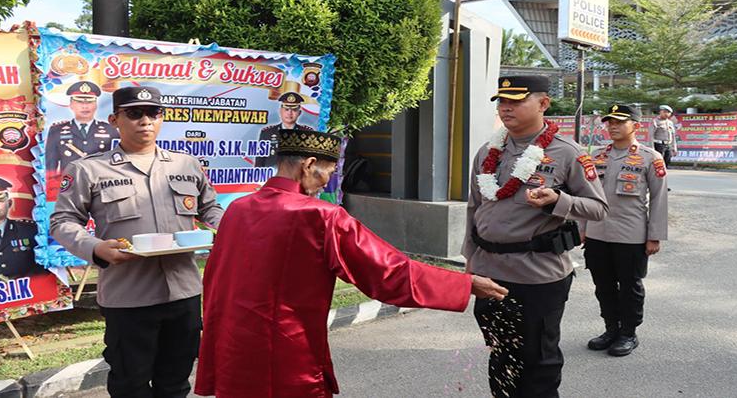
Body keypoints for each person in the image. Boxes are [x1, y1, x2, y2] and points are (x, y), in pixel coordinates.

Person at [195, 128, 509, 398]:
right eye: (328, 174)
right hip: (285, 355)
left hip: (232, 350)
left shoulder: (238, 208)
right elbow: (387, 272)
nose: (327, 184)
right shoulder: (319, 216)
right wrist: (464, 284)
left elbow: (215, 279)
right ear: (309, 165)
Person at [50, 86, 224, 398]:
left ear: (162, 118)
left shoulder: (186, 164)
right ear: (115, 119)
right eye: (134, 113)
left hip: (183, 293)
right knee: (130, 386)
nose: (145, 120)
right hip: (129, 298)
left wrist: (227, 231)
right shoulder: (88, 169)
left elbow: (210, 208)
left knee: (176, 384)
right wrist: (96, 248)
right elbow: (62, 221)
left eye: (153, 113)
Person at [462, 75, 608, 398]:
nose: (505, 108)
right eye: (502, 101)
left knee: (538, 364)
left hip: (537, 276)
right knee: (501, 357)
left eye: (515, 101)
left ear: (543, 104)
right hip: (490, 274)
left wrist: (559, 201)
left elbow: (599, 208)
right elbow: (474, 209)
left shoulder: (567, 152)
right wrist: (470, 259)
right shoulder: (489, 151)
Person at [583, 104, 668, 357]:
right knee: (603, 285)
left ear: (636, 126)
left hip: (631, 235)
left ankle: (628, 333)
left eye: (620, 121)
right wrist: (582, 227)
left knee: (630, 286)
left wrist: (654, 235)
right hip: (597, 234)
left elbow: (660, 198)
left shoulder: (650, 157)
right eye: (609, 122)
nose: (613, 126)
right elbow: (585, 195)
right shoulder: (596, 155)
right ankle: (611, 328)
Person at [46, 81, 120, 174]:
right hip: (69, 184)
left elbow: (117, 162)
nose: (85, 106)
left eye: (89, 102)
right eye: (79, 102)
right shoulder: (56, 131)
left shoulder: (110, 130)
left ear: (95, 105)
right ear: (71, 105)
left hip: (100, 183)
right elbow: (50, 167)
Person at [0, 177, 45, 280]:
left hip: (31, 292)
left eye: (0, 199)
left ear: (9, 203)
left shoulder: (31, 231)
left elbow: (44, 267)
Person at [254, 87, 313, 168]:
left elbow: (311, 161)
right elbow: (259, 161)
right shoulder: (267, 132)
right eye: (286, 109)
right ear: (280, 111)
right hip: (272, 178)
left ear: (299, 113)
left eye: (294, 109)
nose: (290, 113)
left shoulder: (307, 133)